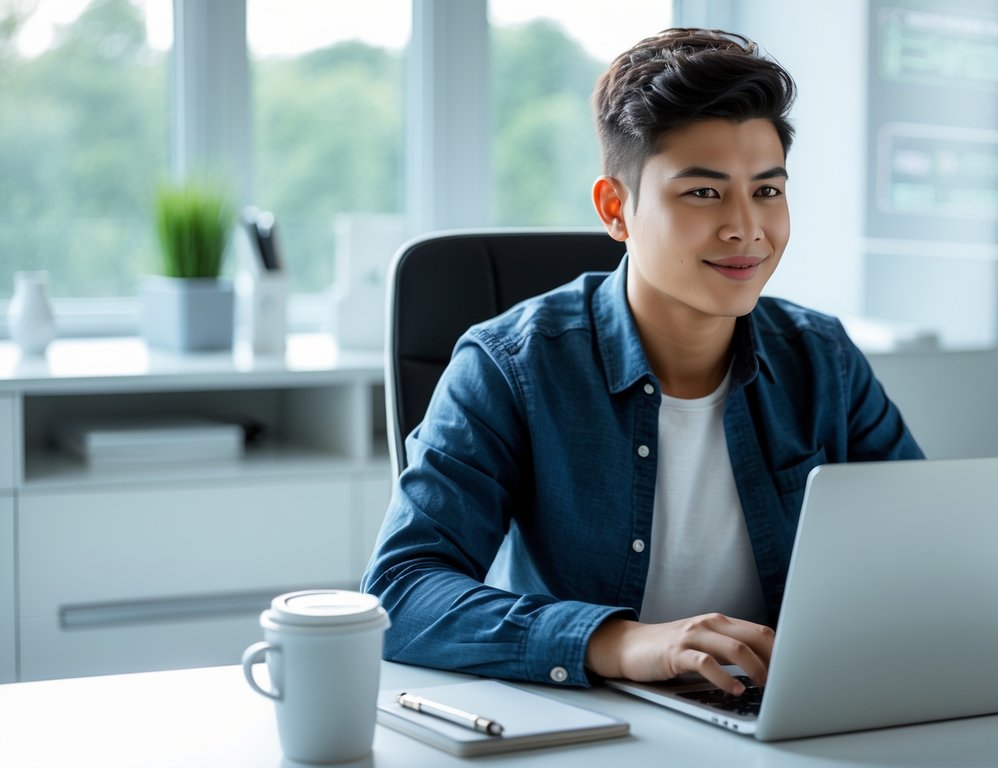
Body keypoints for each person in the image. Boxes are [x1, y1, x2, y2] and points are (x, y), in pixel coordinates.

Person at [362, 28, 923, 697]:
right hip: (593, 724)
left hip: (778, 717)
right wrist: (617, 641)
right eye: (702, 193)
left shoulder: (822, 358)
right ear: (614, 209)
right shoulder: (510, 366)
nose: (746, 227)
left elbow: (920, 553)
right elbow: (400, 592)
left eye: (767, 191)